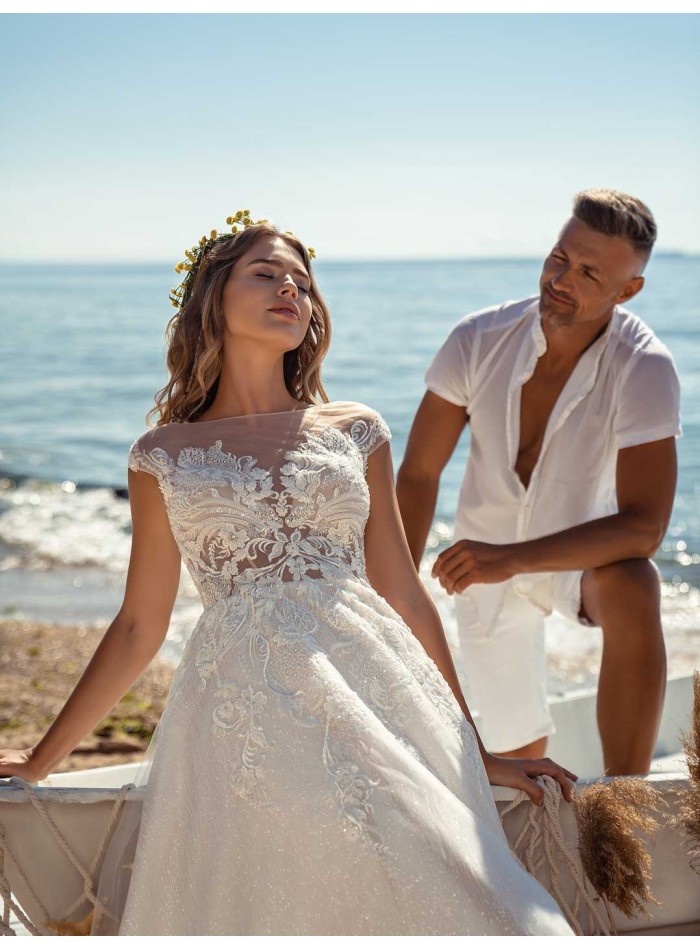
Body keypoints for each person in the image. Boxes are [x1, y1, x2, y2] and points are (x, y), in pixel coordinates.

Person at [0, 212, 576, 936]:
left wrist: (473, 746)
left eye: (302, 283)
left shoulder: (355, 430)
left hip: (377, 684)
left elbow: (403, 592)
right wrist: (42, 758)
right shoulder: (162, 455)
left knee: (444, 870)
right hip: (242, 702)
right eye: (266, 274)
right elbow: (141, 623)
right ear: (214, 298)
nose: (290, 290)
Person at [396, 189, 681, 776]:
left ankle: (624, 796)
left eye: (588, 273)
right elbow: (420, 474)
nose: (560, 280)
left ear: (627, 291)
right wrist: (396, 592)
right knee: (518, 762)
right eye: (559, 258)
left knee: (636, 583)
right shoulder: (478, 339)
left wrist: (512, 559)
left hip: (577, 560)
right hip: (481, 564)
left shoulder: (644, 367)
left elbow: (645, 528)